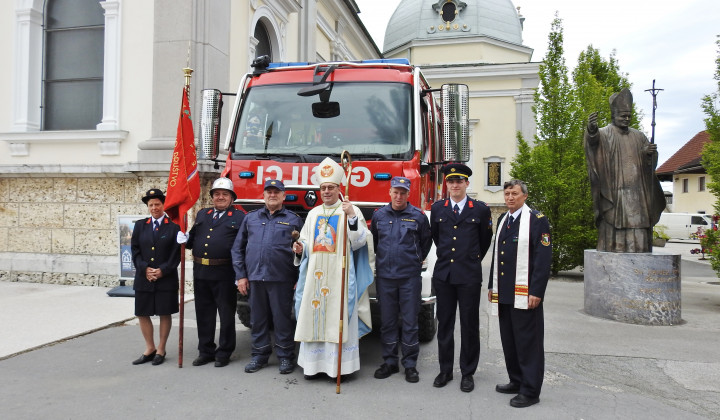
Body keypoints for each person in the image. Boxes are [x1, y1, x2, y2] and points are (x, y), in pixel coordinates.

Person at [291, 157, 374, 380]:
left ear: (339, 189)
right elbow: (308, 242)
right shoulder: (313, 213)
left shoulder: (350, 209)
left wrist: (352, 217)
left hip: (340, 276)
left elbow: (358, 242)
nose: (327, 191)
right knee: (313, 316)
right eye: (324, 188)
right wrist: (300, 248)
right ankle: (313, 366)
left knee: (338, 317)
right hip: (315, 276)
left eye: (331, 187)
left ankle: (340, 368)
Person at [488, 179, 552, 408]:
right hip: (505, 292)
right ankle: (516, 380)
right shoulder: (504, 219)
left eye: (514, 193)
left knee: (528, 343)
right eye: (507, 194)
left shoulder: (536, 220)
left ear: (524, 195)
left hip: (526, 293)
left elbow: (543, 259)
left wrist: (536, 291)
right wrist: (491, 286)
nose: (510, 198)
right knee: (510, 340)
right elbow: (497, 255)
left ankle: (530, 390)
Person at [430, 163, 492, 393]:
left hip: (468, 276)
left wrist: (471, 259)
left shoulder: (480, 209)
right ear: (446, 184)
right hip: (444, 275)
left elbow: (484, 241)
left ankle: (467, 372)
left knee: (469, 325)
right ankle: (445, 370)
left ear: (467, 183)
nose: (455, 185)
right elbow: (436, 238)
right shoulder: (438, 209)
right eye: (451, 181)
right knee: (445, 325)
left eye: (459, 181)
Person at [231, 179, 303, 375]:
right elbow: (238, 249)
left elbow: (302, 252)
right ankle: (259, 355)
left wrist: (299, 277)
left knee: (282, 320)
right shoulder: (251, 218)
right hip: (255, 277)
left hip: (282, 278)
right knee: (258, 319)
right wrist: (241, 276)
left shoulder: (294, 219)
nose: (272, 195)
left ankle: (286, 357)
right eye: (269, 192)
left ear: (283, 196)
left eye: (276, 192)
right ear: (263, 195)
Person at [584, 88, 665, 252]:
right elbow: (593, 144)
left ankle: (640, 250)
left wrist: (648, 154)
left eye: (629, 116)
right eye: (623, 116)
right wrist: (591, 129)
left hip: (637, 192)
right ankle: (615, 247)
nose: (626, 119)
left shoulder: (639, 136)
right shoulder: (606, 133)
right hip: (615, 192)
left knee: (639, 222)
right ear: (614, 116)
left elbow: (649, 165)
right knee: (615, 222)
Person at [178, 177, 245, 367]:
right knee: (204, 313)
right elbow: (192, 241)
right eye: (217, 194)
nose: (220, 197)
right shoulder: (202, 214)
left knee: (225, 315)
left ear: (232, 198)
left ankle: (224, 352)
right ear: (212, 197)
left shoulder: (240, 217)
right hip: (201, 272)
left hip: (225, 272)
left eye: (225, 194)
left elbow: (244, 247)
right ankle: (205, 350)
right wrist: (183, 238)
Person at [370, 176, 432, 383]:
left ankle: (410, 365)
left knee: (410, 322)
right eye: (395, 192)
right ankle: (389, 362)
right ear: (390, 193)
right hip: (386, 277)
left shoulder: (418, 217)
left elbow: (425, 243)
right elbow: (376, 242)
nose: (399, 196)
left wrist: (413, 261)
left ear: (408, 194)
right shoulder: (379, 216)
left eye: (403, 193)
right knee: (387, 322)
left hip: (409, 278)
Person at [130, 189, 181, 366]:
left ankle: (161, 348)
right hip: (144, 277)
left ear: (163, 205)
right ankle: (150, 348)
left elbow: (176, 255)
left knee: (164, 312)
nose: (154, 208)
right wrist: (145, 269)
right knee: (142, 312)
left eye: (157, 204)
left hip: (165, 278)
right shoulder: (140, 225)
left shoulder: (173, 227)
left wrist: (162, 270)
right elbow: (135, 251)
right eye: (150, 205)